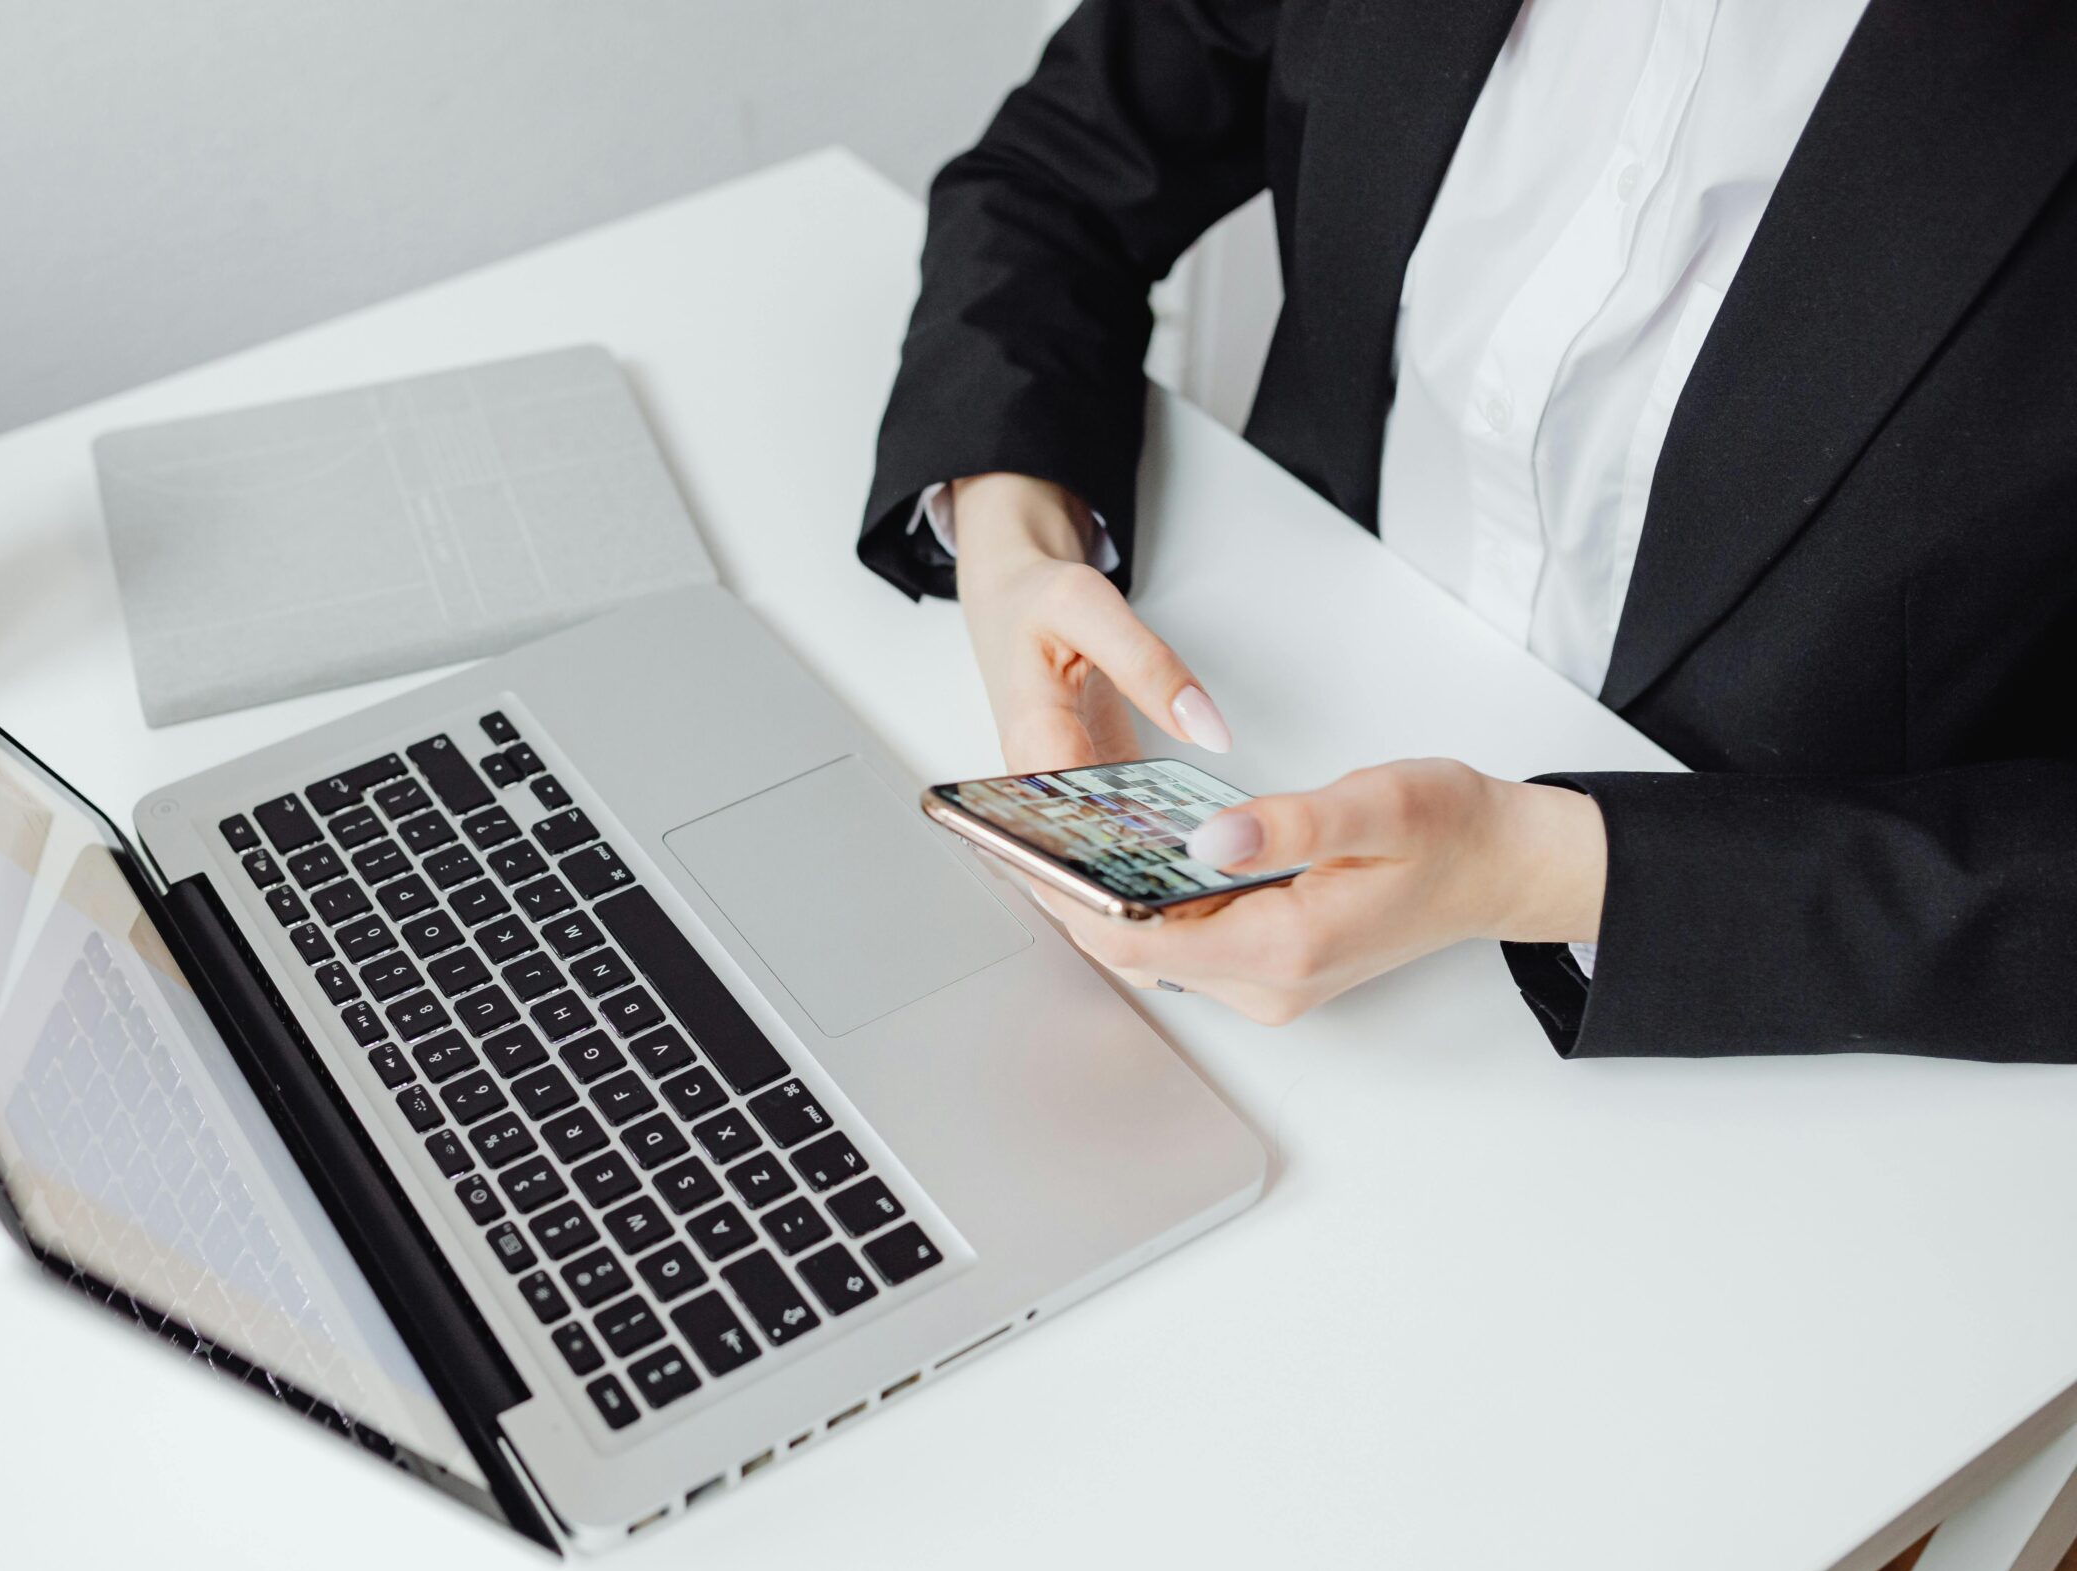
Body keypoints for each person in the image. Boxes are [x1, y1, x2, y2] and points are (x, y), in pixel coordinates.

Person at [857, 0, 2077, 1062]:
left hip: (1779, 999)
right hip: (1264, 719)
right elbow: (1061, 169)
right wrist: (1016, 529)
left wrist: (1541, 867)